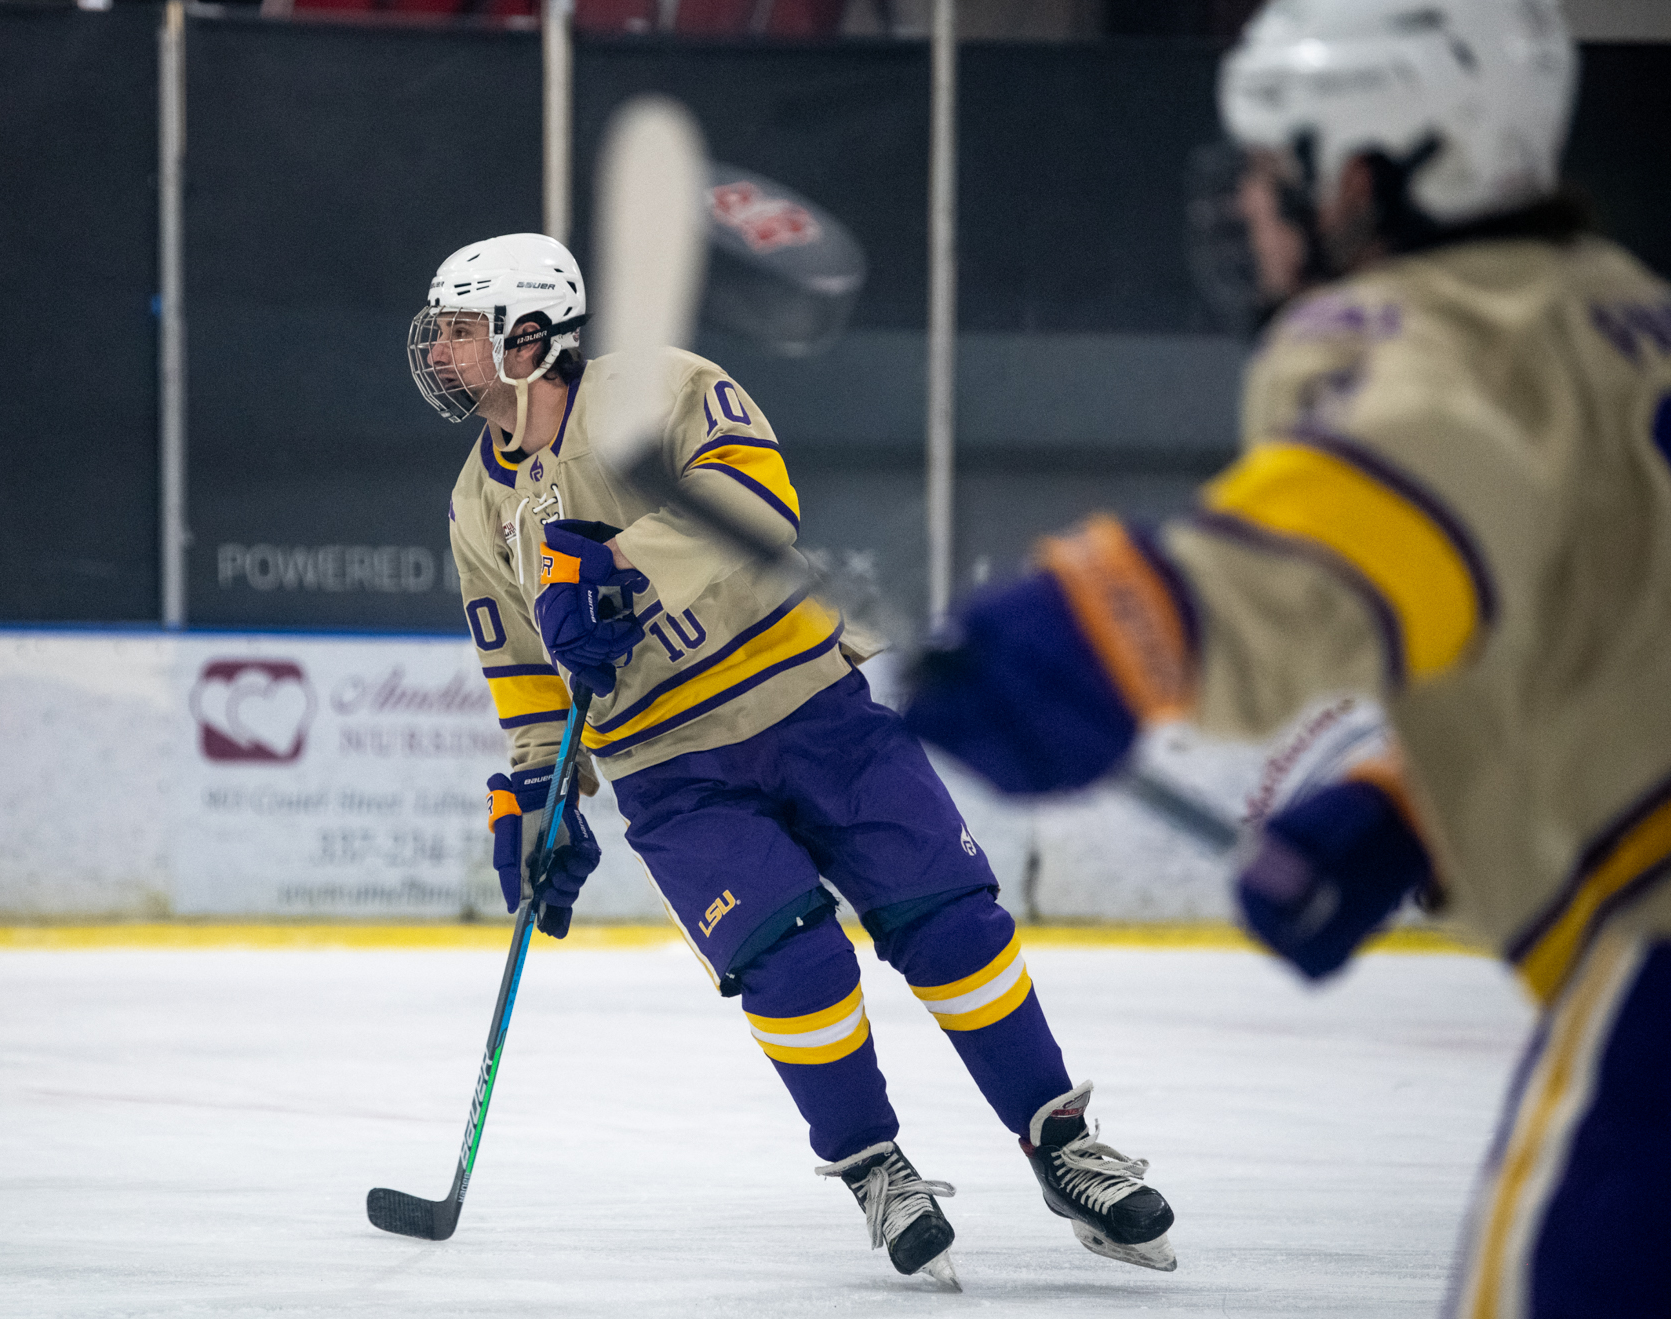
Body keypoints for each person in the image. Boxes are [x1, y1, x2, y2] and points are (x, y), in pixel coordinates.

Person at [904, 1, 1670, 1314]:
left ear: (1363, 174)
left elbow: (1394, 507)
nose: (1253, 205)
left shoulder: (1434, 334)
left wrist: (1118, 623)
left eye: (1275, 169)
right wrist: (1412, 809)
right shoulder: (1622, 314)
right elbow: (1610, 630)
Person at [410, 232, 1177, 1286]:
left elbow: (754, 495)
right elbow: (524, 670)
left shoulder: (660, 385)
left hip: (812, 708)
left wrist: (617, 573)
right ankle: (874, 1165)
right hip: (670, 769)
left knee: (950, 921)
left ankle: (1059, 1142)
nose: (439, 350)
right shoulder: (472, 505)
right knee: (792, 963)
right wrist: (535, 793)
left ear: (528, 332)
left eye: (460, 328)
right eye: (442, 330)